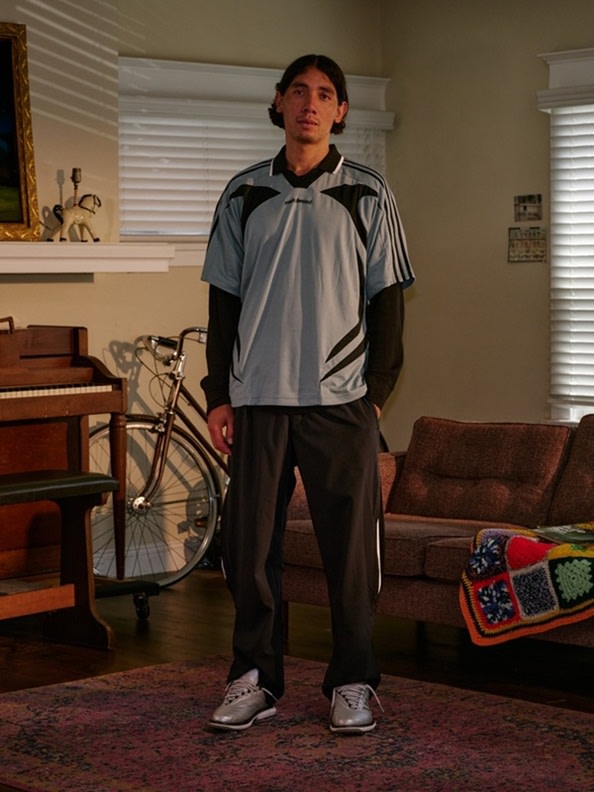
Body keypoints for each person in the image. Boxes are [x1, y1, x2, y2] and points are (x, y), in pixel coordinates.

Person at [201, 53, 414, 735]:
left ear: (341, 111)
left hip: (340, 404)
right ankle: (255, 677)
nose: (311, 104)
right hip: (258, 400)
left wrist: (375, 395)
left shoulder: (368, 193)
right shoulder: (242, 194)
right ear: (280, 102)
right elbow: (222, 307)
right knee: (248, 550)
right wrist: (218, 394)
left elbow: (389, 306)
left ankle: (351, 681)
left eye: (325, 94)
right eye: (300, 92)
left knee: (349, 555)